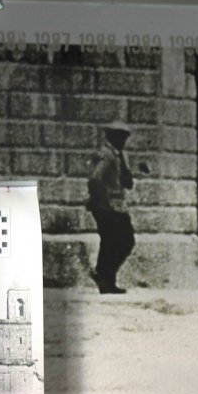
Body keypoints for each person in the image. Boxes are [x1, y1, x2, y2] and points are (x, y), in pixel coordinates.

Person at [86, 121, 135, 294]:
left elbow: (124, 181)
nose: (123, 140)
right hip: (108, 206)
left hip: (116, 205)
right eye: (120, 136)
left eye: (125, 136)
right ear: (111, 136)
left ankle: (106, 279)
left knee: (111, 243)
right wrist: (102, 200)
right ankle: (104, 276)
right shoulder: (106, 154)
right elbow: (95, 179)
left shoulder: (118, 155)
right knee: (124, 241)